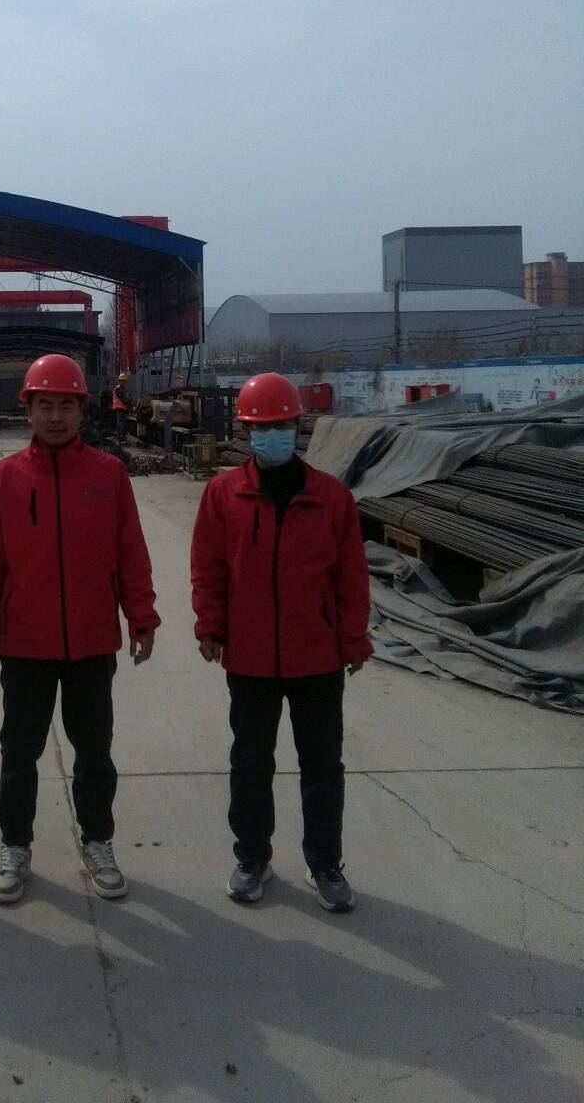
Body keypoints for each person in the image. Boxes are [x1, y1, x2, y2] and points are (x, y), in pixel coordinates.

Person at [0, 353, 159, 905]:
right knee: (18, 753)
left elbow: (130, 551)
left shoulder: (108, 475)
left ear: (82, 410)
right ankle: (15, 846)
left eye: (66, 406)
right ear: (27, 410)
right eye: (45, 405)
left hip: (92, 642)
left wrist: (141, 615)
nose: (55, 417)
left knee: (95, 753)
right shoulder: (5, 478)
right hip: (26, 642)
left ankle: (97, 842)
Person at [190, 372, 371, 913]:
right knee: (250, 765)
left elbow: (351, 577)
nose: (272, 436)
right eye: (261, 428)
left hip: (317, 657)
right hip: (249, 658)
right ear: (246, 431)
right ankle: (252, 859)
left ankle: (325, 864)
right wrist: (209, 625)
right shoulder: (224, 494)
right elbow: (208, 568)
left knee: (323, 767)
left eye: (282, 426)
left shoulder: (331, 498)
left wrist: (353, 639)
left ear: (298, 427)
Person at [112, 373, 130, 443]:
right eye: (122, 380)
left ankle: (120, 438)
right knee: (121, 424)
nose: (124, 382)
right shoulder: (119, 389)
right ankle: (121, 439)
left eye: (124, 381)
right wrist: (131, 404)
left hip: (121, 408)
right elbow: (124, 399)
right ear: (119, 381)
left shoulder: (121, 388)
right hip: (120, 408)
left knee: (121, 423)